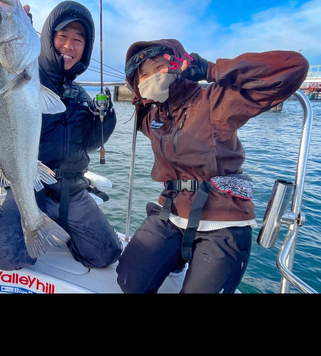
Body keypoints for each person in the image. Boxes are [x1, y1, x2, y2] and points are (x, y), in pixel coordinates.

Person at [116, 39, 309, 293]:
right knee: (129, 281)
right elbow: (140, 111)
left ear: (178, 64)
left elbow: (294, 67)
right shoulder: (154, 117)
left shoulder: (215, 99)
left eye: (158, 67)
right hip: (171, 212)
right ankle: (174, 257)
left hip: (222, 217)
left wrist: (211, 69)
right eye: (142, 76)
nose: (150, 77)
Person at [0, 0, 123, 270]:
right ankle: (39, 221)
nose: (69, 46)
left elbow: (89, 145)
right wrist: (17, 26)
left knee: (106, 255)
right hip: (31, 184)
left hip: (72, 189)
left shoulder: (81, 95)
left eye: (78, 40)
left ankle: (66, 229)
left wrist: (105, 119)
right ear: (47, 38)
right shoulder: (28, 76)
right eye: (62, 37)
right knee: (5, 256)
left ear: (86, 47)